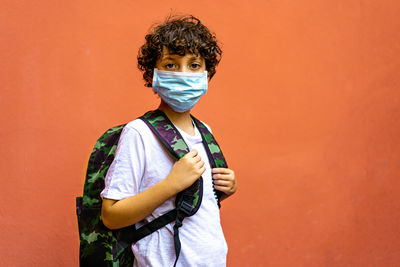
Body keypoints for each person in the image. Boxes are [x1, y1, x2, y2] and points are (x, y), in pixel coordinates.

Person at [100, 15, 237, 267]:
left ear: (207, 76)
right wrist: (171, 184)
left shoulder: (204, 130)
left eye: (194, 65)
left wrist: (224, 188)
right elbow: (111, 215)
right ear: (153, 74)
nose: (184, 74)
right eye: (171, 65)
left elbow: (189, 204)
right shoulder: (139, 133)